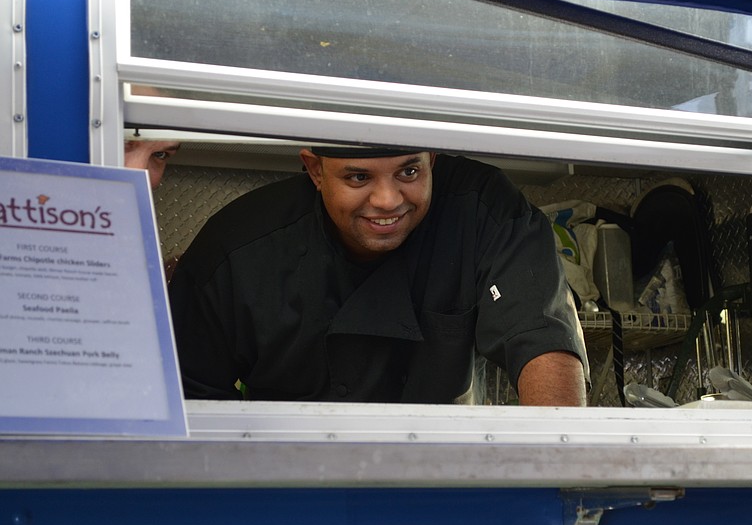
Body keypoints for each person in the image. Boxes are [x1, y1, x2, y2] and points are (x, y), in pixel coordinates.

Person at [168, 146, 589, 406]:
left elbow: (542, 341)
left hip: (442, 483)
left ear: (432, 159)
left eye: (409, 172)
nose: (388, 200)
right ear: (315, 170)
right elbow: (188, 397)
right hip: (292, 490)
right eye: (358, 177)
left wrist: (556, 478)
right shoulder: (238, 248)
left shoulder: (482, 210)